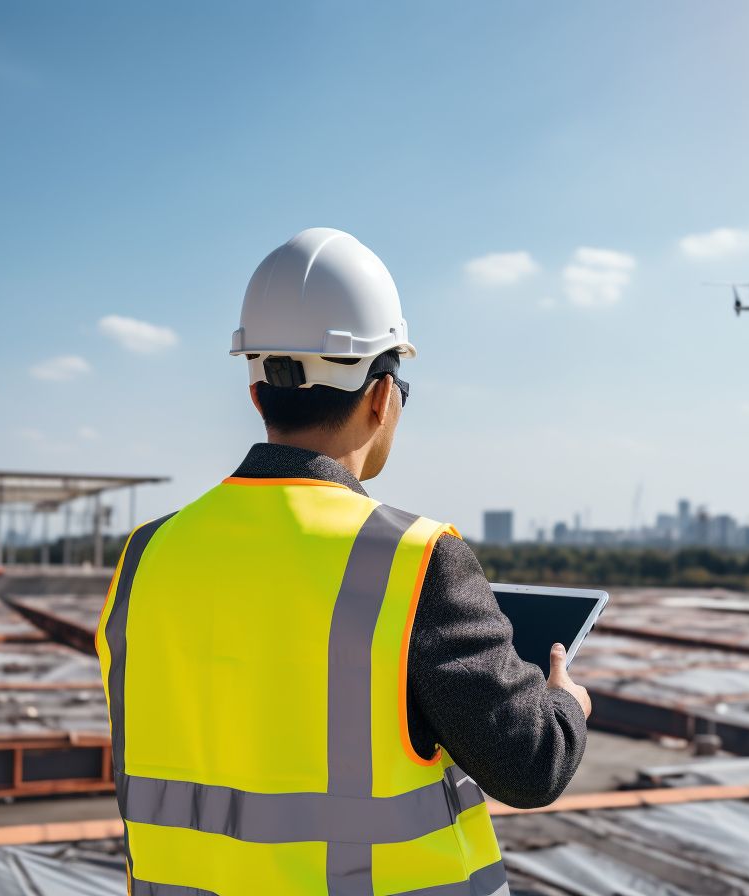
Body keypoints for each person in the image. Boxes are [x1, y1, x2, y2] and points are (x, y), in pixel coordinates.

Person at [98, 227, 590, 895]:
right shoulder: (415, 560)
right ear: (382, 395)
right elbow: (529, 765)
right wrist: (564, 706)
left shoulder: (145, 557)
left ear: (256, 392)